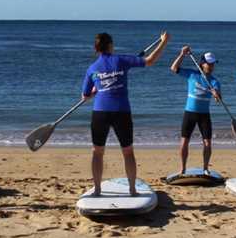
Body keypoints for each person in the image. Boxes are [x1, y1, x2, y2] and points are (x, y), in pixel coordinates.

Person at [82, 31, 170, 196]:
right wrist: (164, 42)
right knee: (128, 151)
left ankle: (98, 190)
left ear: (96, 49)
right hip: (121, 112)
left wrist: (96, 90)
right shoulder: (121, 60)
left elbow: (85, 96)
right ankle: (132, 190)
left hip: (100, 112)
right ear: (110, 45)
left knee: (97, 151)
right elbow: (150, 61)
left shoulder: (92, 68)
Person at [170, 46, 221, 173]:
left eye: (213, 64)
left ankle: (205, 169)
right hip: (190, 113)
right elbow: (174, 68)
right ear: (202, 64)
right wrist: (182, 54)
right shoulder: (192, 74)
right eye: (209, 64)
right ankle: (182, 169)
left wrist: (216, 94)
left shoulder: (214, 81)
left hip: (204, 115)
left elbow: (218, 98)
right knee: (184, 143)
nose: (211, 66)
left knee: (208, 144)